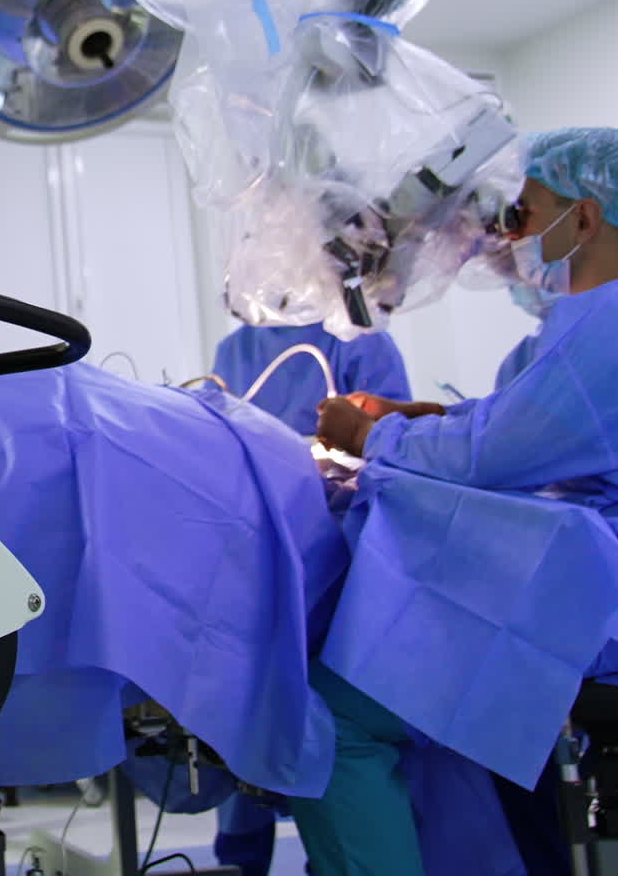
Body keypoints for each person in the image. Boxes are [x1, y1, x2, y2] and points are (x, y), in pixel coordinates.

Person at [292, 127, 618, 876]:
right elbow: (535, 428)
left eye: (523, 213)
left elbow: (495, 457)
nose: (506, 233)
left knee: (329, 714)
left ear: (582, 220)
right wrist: (415, 418)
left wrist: (366, 436)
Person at [211, 319, 411, 876]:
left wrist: (366, 435)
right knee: (264, 691)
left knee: (310, 709)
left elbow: (391, 454)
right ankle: (243, 854)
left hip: (334, 554)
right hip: (269, 546)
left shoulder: (358, 337)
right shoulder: (238, 345)